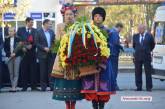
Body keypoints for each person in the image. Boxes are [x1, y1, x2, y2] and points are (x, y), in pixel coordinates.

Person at [81, 7, 116, 109]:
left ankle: (101, 107)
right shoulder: (88, 30)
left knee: (103, 87)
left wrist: (102, 51)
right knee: (92, 87)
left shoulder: (109, 31)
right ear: (93, 17)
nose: (97, 18)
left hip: (104, 63)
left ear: (103, 18)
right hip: (91, 63)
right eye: (95, 16)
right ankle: (94, 106)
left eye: (100, 16)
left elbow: (111, 46)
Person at [51, 3, 83, 109]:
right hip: (63, 57)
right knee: (64, 82)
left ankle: (73, 105)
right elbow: (57, 42)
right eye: (66, 14)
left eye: (71, 14)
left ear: (74, 15)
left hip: (76, 58)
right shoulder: (60, 26)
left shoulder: (79, 26)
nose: (69, 16)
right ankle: (66, 105)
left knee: (75, 81)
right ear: (64, 16)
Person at [17, 17, 38, 91]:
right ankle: (24, 87)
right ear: (27, 22)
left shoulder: (35, 30)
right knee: (24, 70)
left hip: (32, 52)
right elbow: (18, 40)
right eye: (31, 22)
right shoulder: (20, 30)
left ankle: (33, 87)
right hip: (23, 53)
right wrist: (23, 46)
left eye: (32, 22)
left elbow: (37, 40)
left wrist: (32, 46)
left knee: (33, 70)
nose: (32, 24)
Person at [133, 24, 155, 92]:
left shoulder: (149, 35)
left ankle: (149, 87)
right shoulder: (135, 36)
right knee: (137, 72)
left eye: (141, 28)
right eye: (138, 29)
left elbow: (152, 45)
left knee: (148, 72)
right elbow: (134, 45)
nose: (139, 30)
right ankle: (139, 87)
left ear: (144, 29)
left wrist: (148, 50)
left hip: (146, 56)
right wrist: (138, 50)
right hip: (138, 56)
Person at [35, 19, 55, 91]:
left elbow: (53, 42)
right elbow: (36, 43)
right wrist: (44, 48)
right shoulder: (38, 32)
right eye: (49, 24)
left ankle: (51, 86)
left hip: (50, 54)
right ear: (45, 24)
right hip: (42, 54)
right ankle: (43, 87)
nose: (50, 25)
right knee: (43, 71)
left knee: (51, 71)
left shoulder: (52, 32)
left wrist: (51, 48)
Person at [4, 27, 22, 92]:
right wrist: (10, 54)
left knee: (16, 72)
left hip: (17, 57)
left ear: (14, 32)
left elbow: (20, 49)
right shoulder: (6, 39)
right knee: (11, 72)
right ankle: (12, 86)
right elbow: (5, 49)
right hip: (9, 57)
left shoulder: (18, 39)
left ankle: (14, 87)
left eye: (12, 31)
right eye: (9, 31)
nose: (10, 32)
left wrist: (15, 54)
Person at [109, 23, 124, 90]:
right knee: (114, 70)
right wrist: (121, 47)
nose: (121, 30)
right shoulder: (115, 32)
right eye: (121, 29)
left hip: (110, 53)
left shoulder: (111, 31)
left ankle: (111, 85)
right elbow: (115, 42)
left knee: (111, 70)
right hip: (114, 54)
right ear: (119, 27)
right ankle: (114, 86)